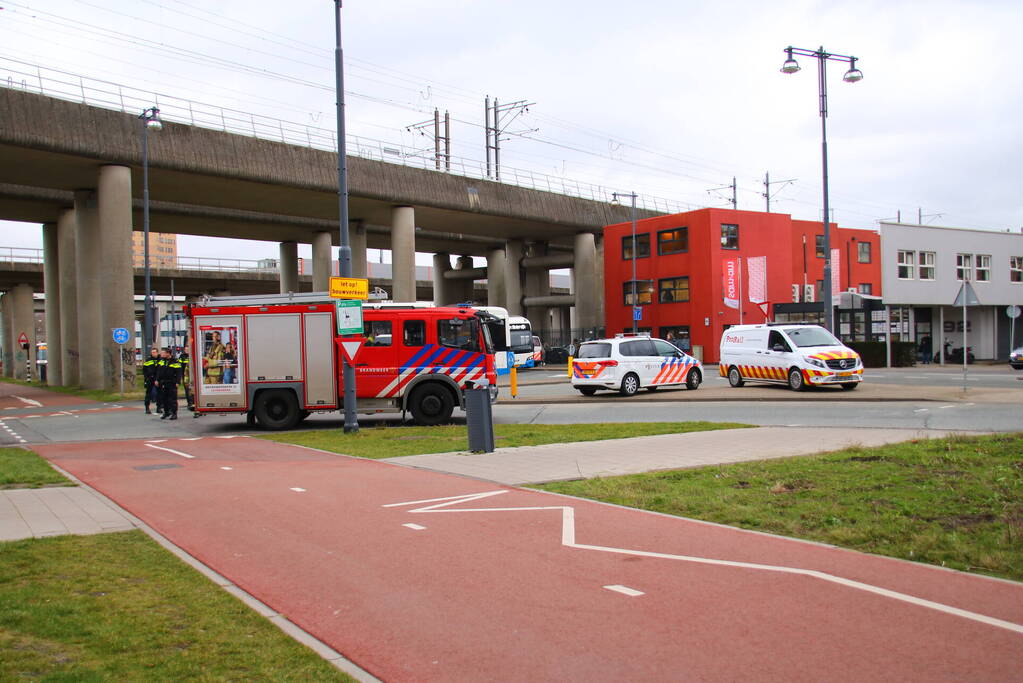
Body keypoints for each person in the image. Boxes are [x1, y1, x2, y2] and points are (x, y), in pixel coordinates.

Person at [154, 347, 182, 420]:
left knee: (172, 399)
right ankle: (166, 412)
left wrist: (177, 382)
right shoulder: (161, 361)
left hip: (172, 382)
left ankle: (174, 413)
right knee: (164, 398)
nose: (161, 354)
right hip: (163, 382)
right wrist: (157, 380)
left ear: (168, 353)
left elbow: (179, 373)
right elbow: (158, 371)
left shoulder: (175, 361)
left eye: (163, 353)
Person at [142, 347, 160, 414]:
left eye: (154, 352)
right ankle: (147, 408)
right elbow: (144, 370)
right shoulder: (148, 360)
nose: (153, 353)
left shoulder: (160, 360)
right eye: (152, 352)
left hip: (158, 379)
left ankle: (159, 408)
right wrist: (146, 378)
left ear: (157, 352)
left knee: (159, 394)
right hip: (150, 379)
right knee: (148, 394)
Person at [178, 345, 194, 412]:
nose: (187, 350)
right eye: (186, 349)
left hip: (192, 375)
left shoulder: (192, 355)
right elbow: (180, 366)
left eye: (188, 349)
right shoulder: (182, 356)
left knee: (193, 390)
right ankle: (189, 403)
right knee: (187, 390)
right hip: (185, 375)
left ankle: (193, 402)